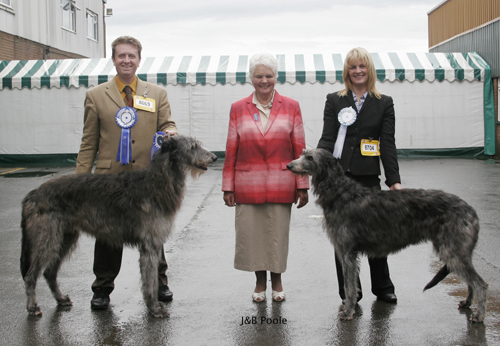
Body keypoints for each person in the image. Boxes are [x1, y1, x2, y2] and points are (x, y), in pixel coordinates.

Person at [75, 36, 178, 310]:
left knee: (153, 234)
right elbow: (89, 142)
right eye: (121, 56)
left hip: (147, 179)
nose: (126, 61)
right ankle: (102, 288)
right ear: (113, 59)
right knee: (108, 234)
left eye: (131, 56)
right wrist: (79, 179)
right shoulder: (96, 96)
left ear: (139, 59)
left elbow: (167, 123)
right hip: (109, 181)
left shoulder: (156, 94)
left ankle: (160, 283)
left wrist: (171, 134)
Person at [317, 47, 402, 304]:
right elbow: (328, 138)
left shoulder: (384, 102)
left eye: (362, 66)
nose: (357, 71)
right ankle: (349, 291)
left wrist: (394, 181)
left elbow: (387, 143)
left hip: (368, 178)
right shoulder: (334, 100)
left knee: (375, 233)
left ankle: (383, 287)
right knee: (342, 238)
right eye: (352, 67)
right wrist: (316, 166)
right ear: (347, 71)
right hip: (338, 180)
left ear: (369, 70)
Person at [222, 53, 309, 303]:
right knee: (253, 235)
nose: (264, 80)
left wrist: (302, 185)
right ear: (251, 78)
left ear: (276, 77)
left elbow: (299, 149)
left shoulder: (291, 106)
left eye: (268, 75)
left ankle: (278, 281)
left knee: (277, 234)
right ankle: (260, 282)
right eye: (259, 76)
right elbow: (231, 150)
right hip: (247, 185)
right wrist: (228, 187)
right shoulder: (238, 108)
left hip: (282, 183)